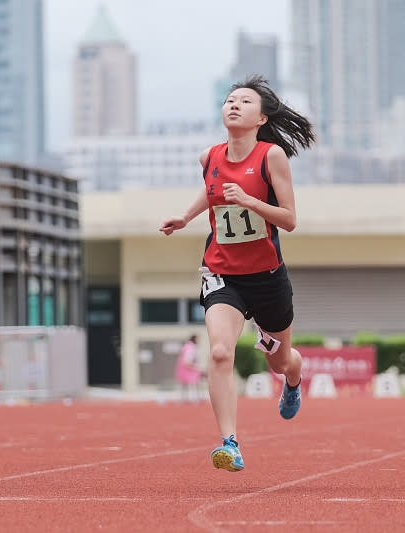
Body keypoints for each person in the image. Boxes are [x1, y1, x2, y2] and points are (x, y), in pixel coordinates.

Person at [159, 75, 315, 472]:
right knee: (219, 351)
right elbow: (210, 191)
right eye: (230, 100)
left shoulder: (270, 157)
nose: (234, 105)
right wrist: (185, 216)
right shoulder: (208, 157)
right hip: (222, 273)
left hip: (266, 277)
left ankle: (294, 380)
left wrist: (249, 200)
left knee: (280, 363)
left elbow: (290, 220)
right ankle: (230, 443)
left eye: (244, 102)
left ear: (261, 117)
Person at [175, 334, 202, 402]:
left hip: (183, 368)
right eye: (198, 339)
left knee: (183, 385)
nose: (199, 341)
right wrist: (196, 367)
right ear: (194, 339)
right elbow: (187, 361)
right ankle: (195, 398)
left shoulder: (187, 346)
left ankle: (183, 399)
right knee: (193, 384)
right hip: (188, 368)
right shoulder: (191, 348)